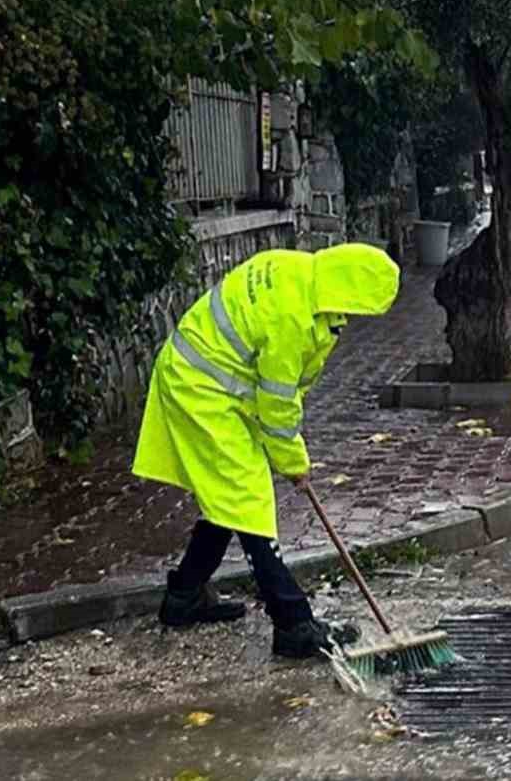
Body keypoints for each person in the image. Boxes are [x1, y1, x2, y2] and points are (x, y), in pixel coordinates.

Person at [132, 243, 400, 658]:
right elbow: (278, 403)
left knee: (228, 496)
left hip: (215, 385)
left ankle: (183, 597)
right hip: (200, 389)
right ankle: (292, 622)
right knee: (248, 496)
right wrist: (294, 462)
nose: (356, 318)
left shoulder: (301, 275)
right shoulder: (293, 317)